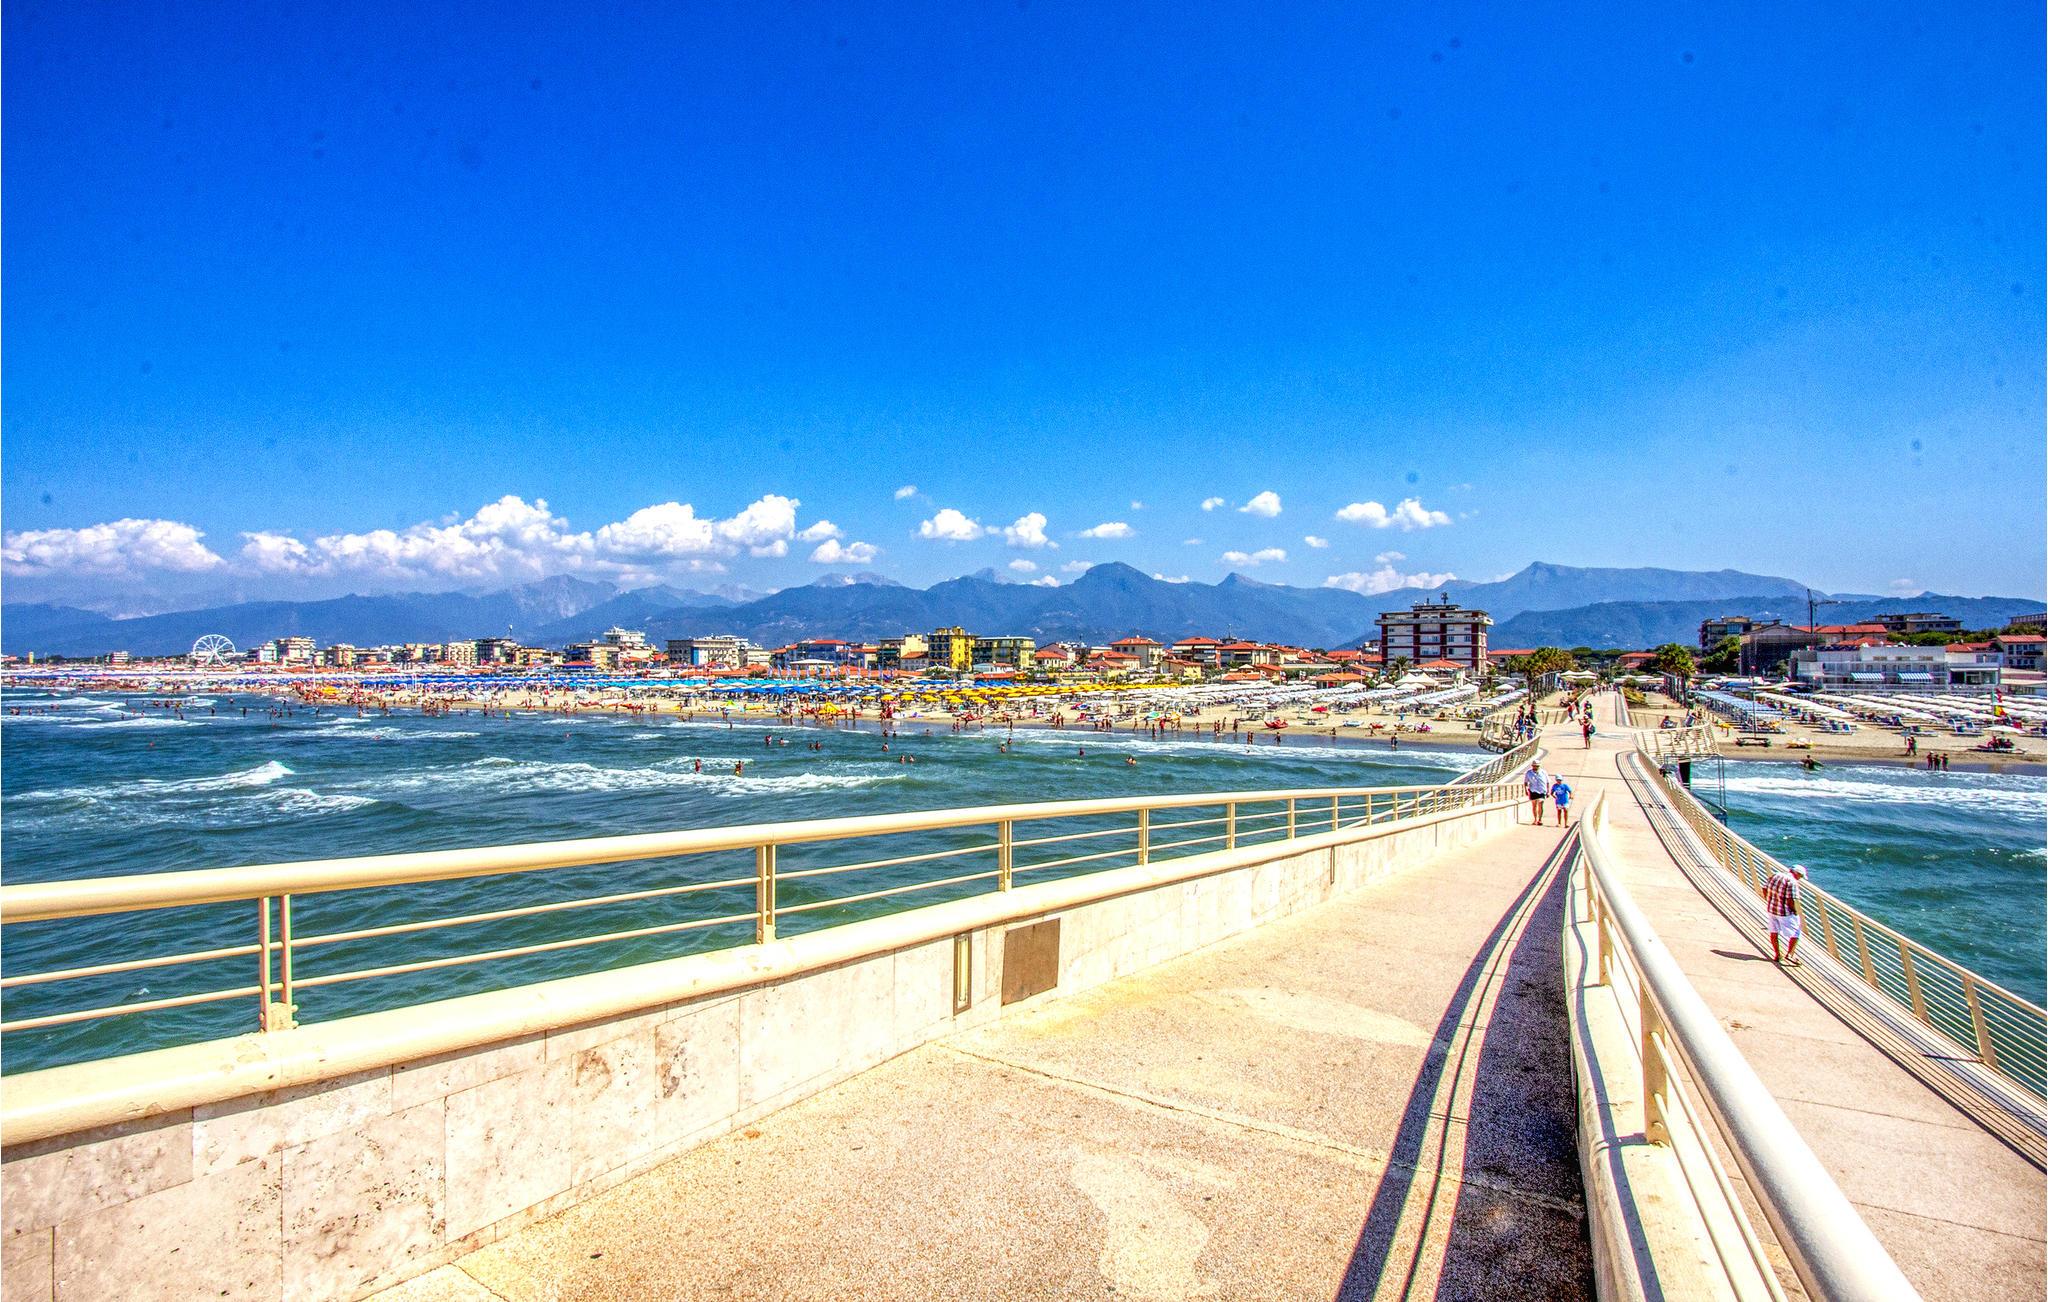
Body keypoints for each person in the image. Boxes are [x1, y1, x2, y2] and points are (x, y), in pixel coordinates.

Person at [1763, 862, 1807, 966]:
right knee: (1796, 932)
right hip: (1784, 912)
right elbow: (1790, 900)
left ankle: (1778, 955)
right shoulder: (1792, 882)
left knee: (1774, 932)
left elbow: (1764, 888)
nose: (1799, 879)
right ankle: (1790, 954)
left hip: (1771, 909)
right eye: (1800, 877)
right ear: (1797, 874)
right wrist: (1794, 911)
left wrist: (1768, 900)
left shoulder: (1776, 875)